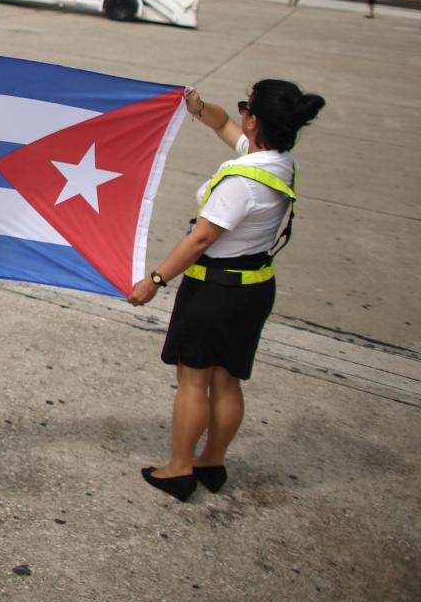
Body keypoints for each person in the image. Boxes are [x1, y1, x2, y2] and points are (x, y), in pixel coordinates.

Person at [129, 80, 325, 501]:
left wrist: (155, 281)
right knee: (226, 380)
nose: (238, 116)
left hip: (215, 290)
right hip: (253, 287)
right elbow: (222, 126)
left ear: (253, 120)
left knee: (193, 381)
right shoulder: (277, 161)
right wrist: (199, 109)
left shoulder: (241, 185)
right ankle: (211, 462)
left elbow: (200, 241)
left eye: (244, 109)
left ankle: (179, 469)